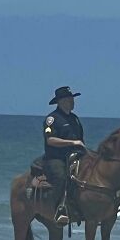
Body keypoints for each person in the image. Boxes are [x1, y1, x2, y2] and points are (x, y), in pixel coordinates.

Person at [43, 85, 86, 225]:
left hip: (77, 155)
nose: (72, 102)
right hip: (57, 157)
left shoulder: (75, 119)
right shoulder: (52, 119)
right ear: (60, 101)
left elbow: (81, 140)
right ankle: (59, 209)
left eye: (72, 99)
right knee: (61, 177)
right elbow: (50, 140)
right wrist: (72, 143)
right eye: (69, 99)